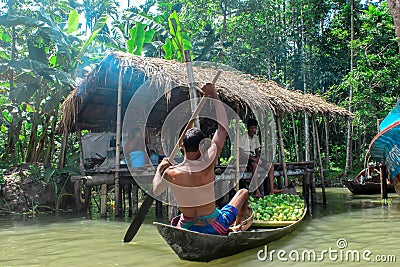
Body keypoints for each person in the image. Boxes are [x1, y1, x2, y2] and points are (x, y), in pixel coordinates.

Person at [152, 83, 249, 235]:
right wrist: (214, 94)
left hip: (186, 227)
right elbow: (223, 128)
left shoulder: (171, 173)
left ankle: (232, 227)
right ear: (202, 147)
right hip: (214, 227)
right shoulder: (207, 162)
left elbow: (156, 190)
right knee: (243, 192)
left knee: (182, 218)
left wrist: (159, 169)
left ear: (182, 146)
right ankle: (236, 227)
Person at [239, 118, 263, 197]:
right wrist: (254, 159)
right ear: (248, 128)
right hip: (245, 159)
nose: (253, 130)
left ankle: (272, 189)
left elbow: (257, 150)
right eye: (251, 128)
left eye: (254, 128)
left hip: (254, 157)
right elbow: (242, 153)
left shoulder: (256, 137)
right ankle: (257, 190)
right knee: (255, 165)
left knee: (271, 166)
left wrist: (258, 158)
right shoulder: (242, 138)